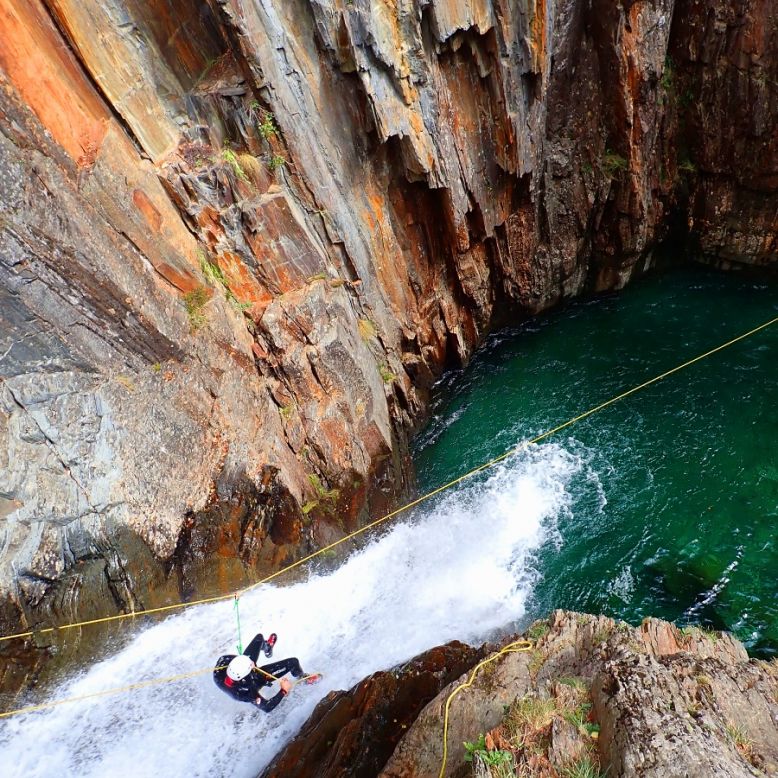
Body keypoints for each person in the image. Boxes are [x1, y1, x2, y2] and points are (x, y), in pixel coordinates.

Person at [213, 632, 320, 712]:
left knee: (259, 639)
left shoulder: (224, 662)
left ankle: (267, 648)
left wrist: (248, 662)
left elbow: (240, 661)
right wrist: (283, 690)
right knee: (292, 662)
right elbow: (267, 707)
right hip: (255, 680)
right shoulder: (245, 692)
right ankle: (303, 678)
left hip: (245, 668)